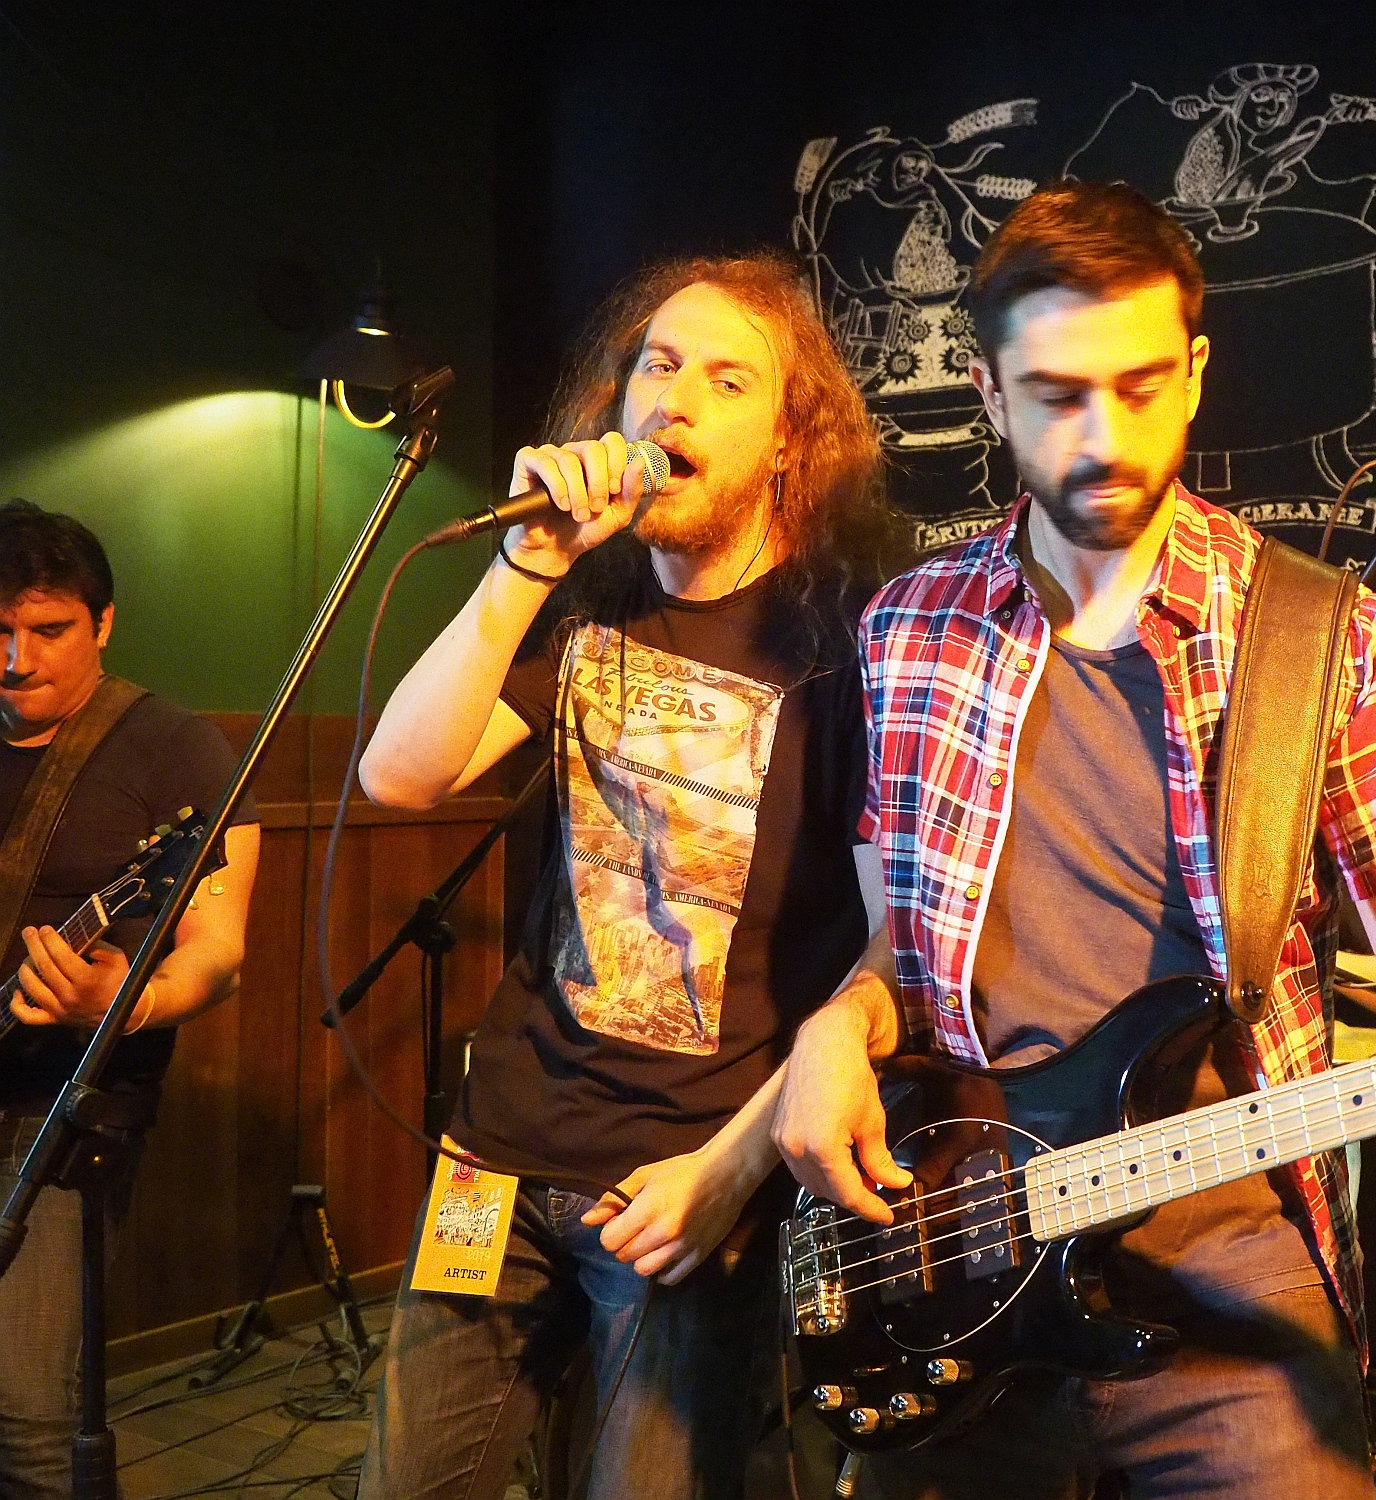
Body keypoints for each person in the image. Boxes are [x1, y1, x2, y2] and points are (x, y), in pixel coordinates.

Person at [772, 181, 1376, 1500]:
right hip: (963, 1244)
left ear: (1197, 372)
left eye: (1141, 388)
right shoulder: (907, 629)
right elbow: (895, 948)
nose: (1104, 438)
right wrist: (836, 1027)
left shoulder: (1320, 638)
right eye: (1056, 395)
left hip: (1231, 1250)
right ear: (987, 393)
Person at [355, 251, 901, 1499]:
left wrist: (733, 1170)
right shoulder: (582, 605)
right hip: (497, 1155)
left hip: (681, 1191)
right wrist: (524, 563)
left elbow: (889, 950)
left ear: (788, 441)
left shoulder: (847, 649)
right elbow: (399, 777)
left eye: (726, 381)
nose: (674, 401)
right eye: (658, 366)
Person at [0, 499, 261, 1499]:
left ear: (103, 623)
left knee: (29, 1415)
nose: (17, 660)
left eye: (49, 630)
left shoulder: (174, 749)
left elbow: (218, 955)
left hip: (61, 1110)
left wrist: (123, 998)